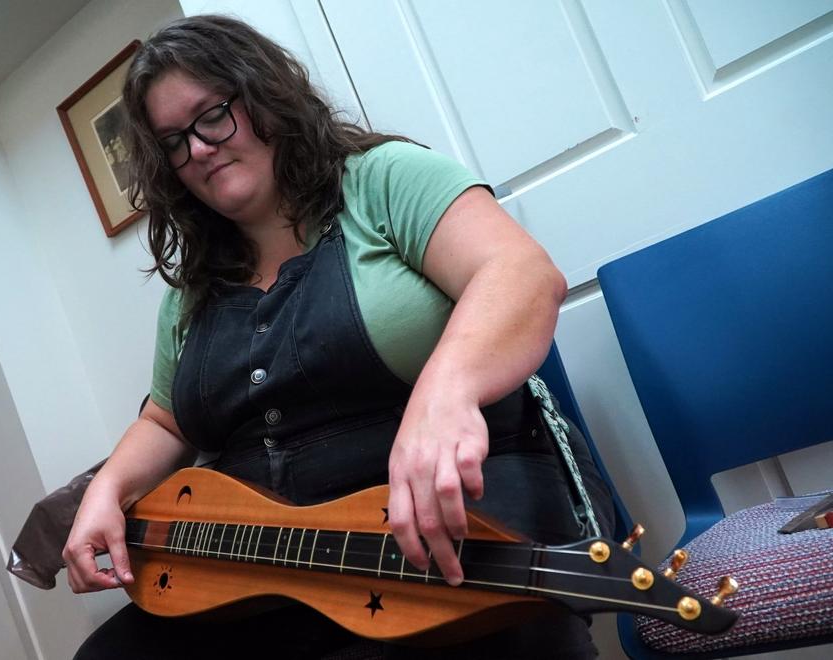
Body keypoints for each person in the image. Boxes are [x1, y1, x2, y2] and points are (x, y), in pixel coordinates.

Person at [65, 14, 614, 660]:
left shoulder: (382, 181)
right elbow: (166, 422)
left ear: (263, 94)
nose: (200, 149)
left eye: (211, 116)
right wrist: (104, 491)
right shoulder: (191, 295)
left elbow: (520, 274)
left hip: (442, 522)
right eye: (175, 142)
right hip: (270, 563)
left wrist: (442, 398)